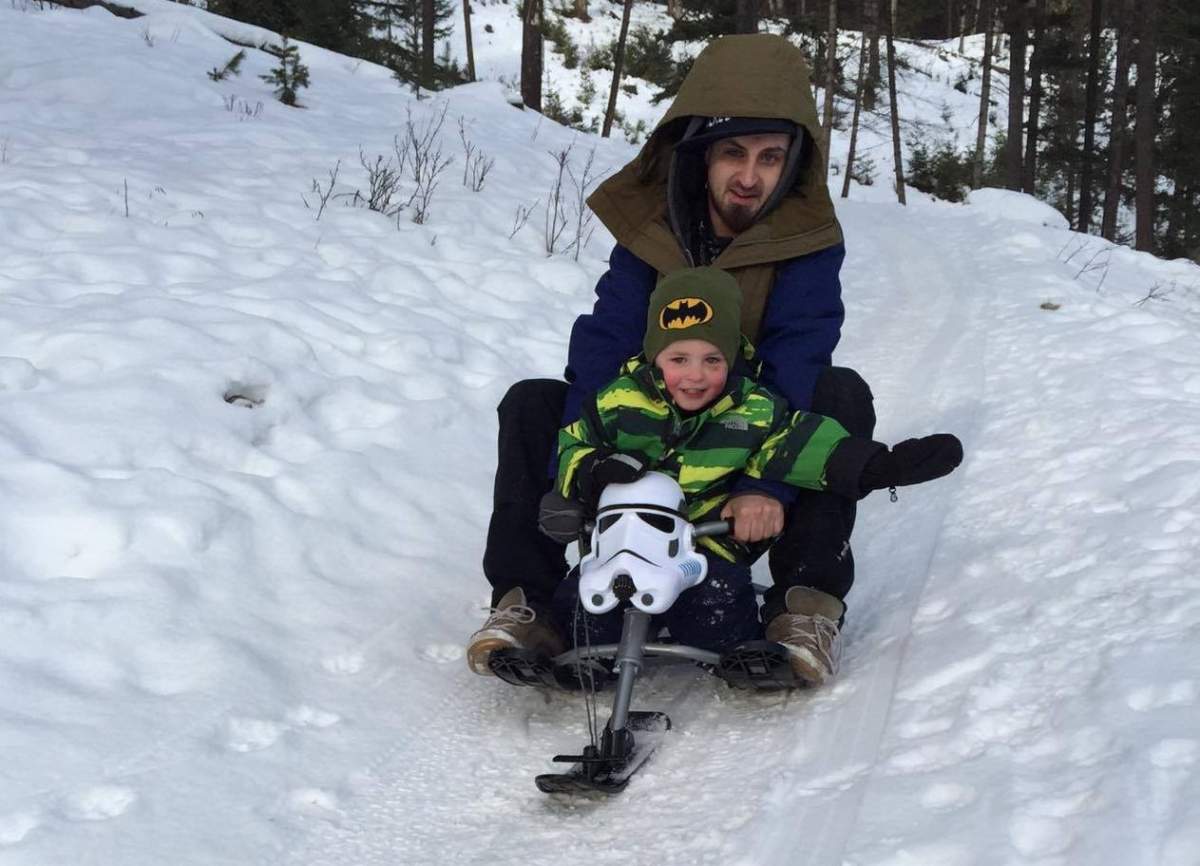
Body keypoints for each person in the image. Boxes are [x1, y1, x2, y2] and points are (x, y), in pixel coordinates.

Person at [469, 34, 878, 685]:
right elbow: (605, 346)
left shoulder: (807, 242)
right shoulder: (652, 231)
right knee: (534, 402)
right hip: (645, 433)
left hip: (743, 441)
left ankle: (804, 609)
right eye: (734, 153)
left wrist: (764, 485)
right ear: (700, 154)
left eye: (771, 157)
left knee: (838, 394)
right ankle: (529, 604)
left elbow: (796, 360)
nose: (750, 177)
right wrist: (584, 473)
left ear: (793, 161)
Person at [540, 269, 961, 684]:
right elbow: (572, 445)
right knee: (582, 611)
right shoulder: (617, 400)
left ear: (731, 357)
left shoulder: (753, 409)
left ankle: (741, 656)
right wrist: (593, 468)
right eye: (679, 359)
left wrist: (879, 465)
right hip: (620, 548)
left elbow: (803, 447)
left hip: (704, 549)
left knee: (715, 606)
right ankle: (585, 658)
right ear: (655, 356)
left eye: (712, 360)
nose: (695, 375)